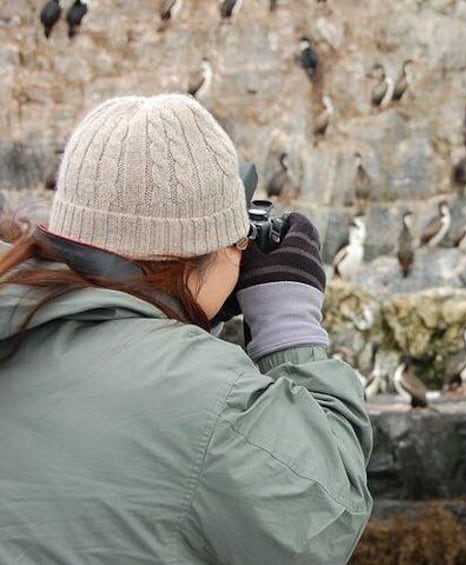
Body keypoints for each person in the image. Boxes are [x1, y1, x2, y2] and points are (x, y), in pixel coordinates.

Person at [0, 94, 372, 563]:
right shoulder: (210, 397)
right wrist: (288, 328)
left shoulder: (18, 313)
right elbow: (323, 520)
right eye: (240, 242)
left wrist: (179, 316)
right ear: (202, 253)